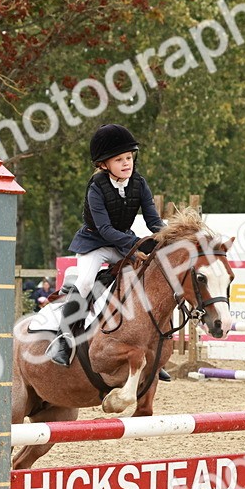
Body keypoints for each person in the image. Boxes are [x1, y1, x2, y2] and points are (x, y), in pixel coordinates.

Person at [47, 124, 168, 373]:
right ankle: (64, 338)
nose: (127, 163)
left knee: (148, 276)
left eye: (129, 158)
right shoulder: (96, 188)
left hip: (122, 241)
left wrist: (167, 237)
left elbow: (153, 221)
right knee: (85, 284)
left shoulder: (140, 183)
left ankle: (149, 347)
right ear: (103, 164)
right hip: (95, 245)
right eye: (119, 159)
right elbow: (104, 229)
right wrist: (133, 249)